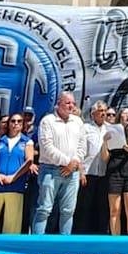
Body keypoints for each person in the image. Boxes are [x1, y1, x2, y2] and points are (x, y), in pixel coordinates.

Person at [33, 91, 87, 235]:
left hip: (73, 172)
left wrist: (74, 162)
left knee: (68, 211)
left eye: (73, 103)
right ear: (59, 103)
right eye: (68, 103)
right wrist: (67, 162)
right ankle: (37, 244)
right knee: (44, 209)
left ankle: (65, 244)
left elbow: (82, 145)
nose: (71, 106)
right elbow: (47, 147)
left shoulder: (78, 122)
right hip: (50, 170)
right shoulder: (47, 121)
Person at [0, 113, 34, 234]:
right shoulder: (0, 141)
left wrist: (13, 177)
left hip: (15, 187)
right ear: (8, 123)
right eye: (13, 121)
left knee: (12, 225)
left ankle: (8, 250)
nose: (16, 124)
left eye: (19, 121)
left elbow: (29, 160)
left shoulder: (27, 142)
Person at [102, 108, 128, 236]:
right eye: (125, 113)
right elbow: (105, 157)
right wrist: (104, 142)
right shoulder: (112, 130)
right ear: (120, 116)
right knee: (114, 209)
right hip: (114, 171)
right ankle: (115, 239)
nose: (127, 116)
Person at [75, 102, 109, 235]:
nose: (103, 113)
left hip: (104, 173)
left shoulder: (110, 128)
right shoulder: (86, 128)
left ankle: (100, 237)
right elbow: (80, 151)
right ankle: (81, 236)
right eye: (100, 111)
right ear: (93, 113)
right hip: (88, 172)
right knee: (84, 207)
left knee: (102, 207)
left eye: (105, 111)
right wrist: (80, 172)